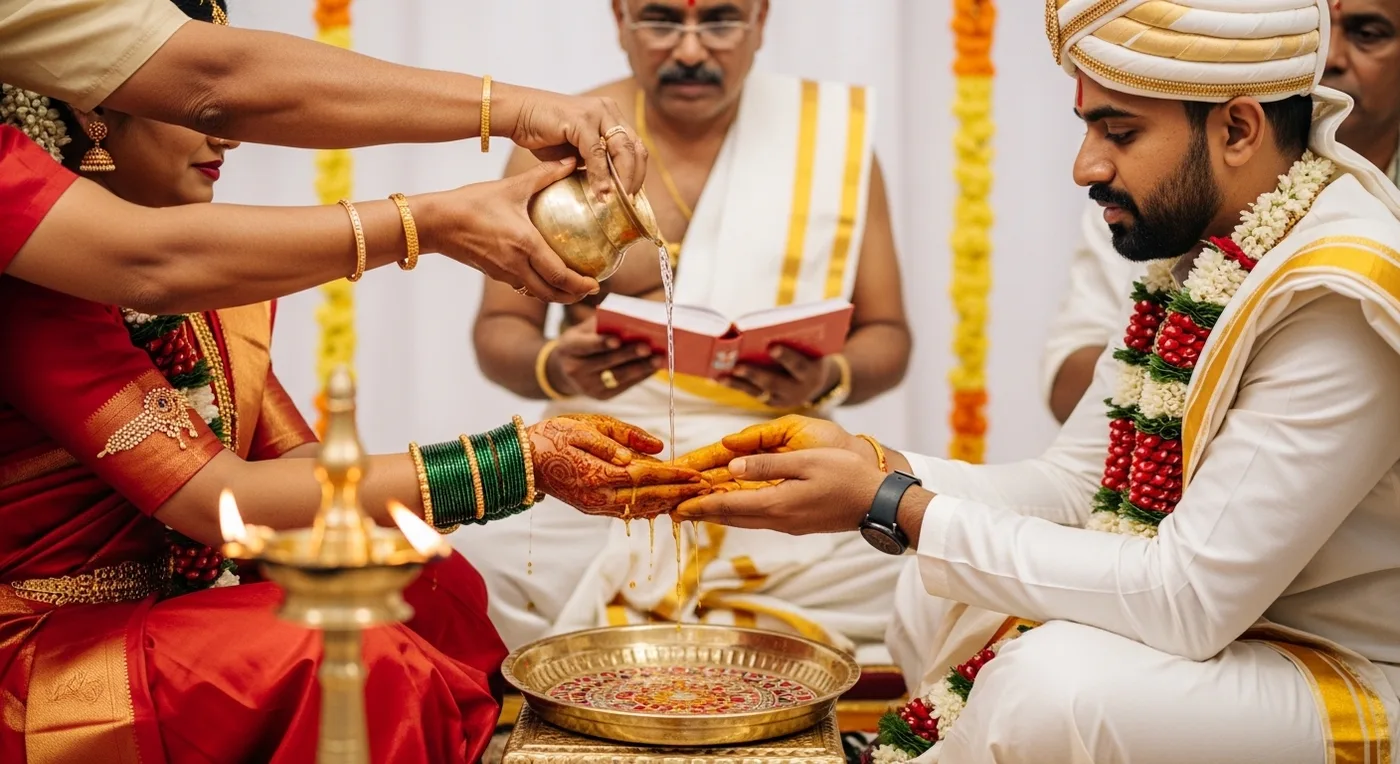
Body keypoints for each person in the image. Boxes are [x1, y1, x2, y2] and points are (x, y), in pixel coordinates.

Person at [673, 1, 1400, 761]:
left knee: (1052, 689)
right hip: (1224, 641)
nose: (1085, 166)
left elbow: (1190, 599)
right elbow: (1075, 487)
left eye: (1119, 133)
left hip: (1334, 669)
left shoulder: (1339, 291)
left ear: (1239, 130)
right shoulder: (1205, 253)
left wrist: (896, 507)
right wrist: (874, 469)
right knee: (941, 582)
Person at [0, 6, 706, 761]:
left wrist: (525, 463)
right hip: (51, 649)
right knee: (356, 654)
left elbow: (293, 467)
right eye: (190, 108)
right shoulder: (41, 295)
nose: (228, 135)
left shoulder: (212, 274)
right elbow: (218, 502)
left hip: (183, 600)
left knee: (431, 586)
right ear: (93, 113)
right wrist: (517, 463)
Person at [458, 0, 912, 655]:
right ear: (620, 21)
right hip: (606, 458)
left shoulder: (832, 137)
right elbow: (500, 329)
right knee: (477, 560)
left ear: (761, 22)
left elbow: (888, 335)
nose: (692, 51)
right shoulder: (556, 146)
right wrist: (555, 366)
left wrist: (828, 374)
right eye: (662, 20)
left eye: (721, 21)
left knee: (912, 569)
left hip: (776, 460)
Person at [0, 0, 652, 310]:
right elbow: (214, 83)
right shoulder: (83, 270)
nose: (229, 143)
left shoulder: (241, 283)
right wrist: (520, 465)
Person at [1041, 0, 1400, 423]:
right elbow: (1075, 454)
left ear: (1237, 132)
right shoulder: (1165, 217)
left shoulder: (1343, 286)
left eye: (1367, 32)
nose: (1330, 55)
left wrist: (1224, 373)